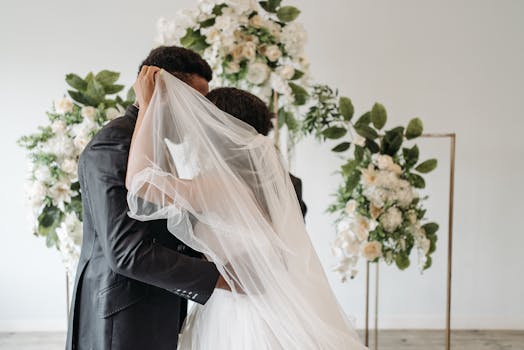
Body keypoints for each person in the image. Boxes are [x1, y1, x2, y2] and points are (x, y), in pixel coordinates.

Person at [126, 68, 367, 349]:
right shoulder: (272, 184)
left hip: (237, 312)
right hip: (269, 302)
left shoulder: (217, 188)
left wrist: (145, 106)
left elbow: (140, 184)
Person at [66, 46, 229, 350]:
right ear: (164, 92)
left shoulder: (152, 143)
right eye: (197, 102)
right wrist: (218, 278)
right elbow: (127, 252)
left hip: (151, 305)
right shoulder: (115, 144)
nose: (201, 114)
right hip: (122, 315)